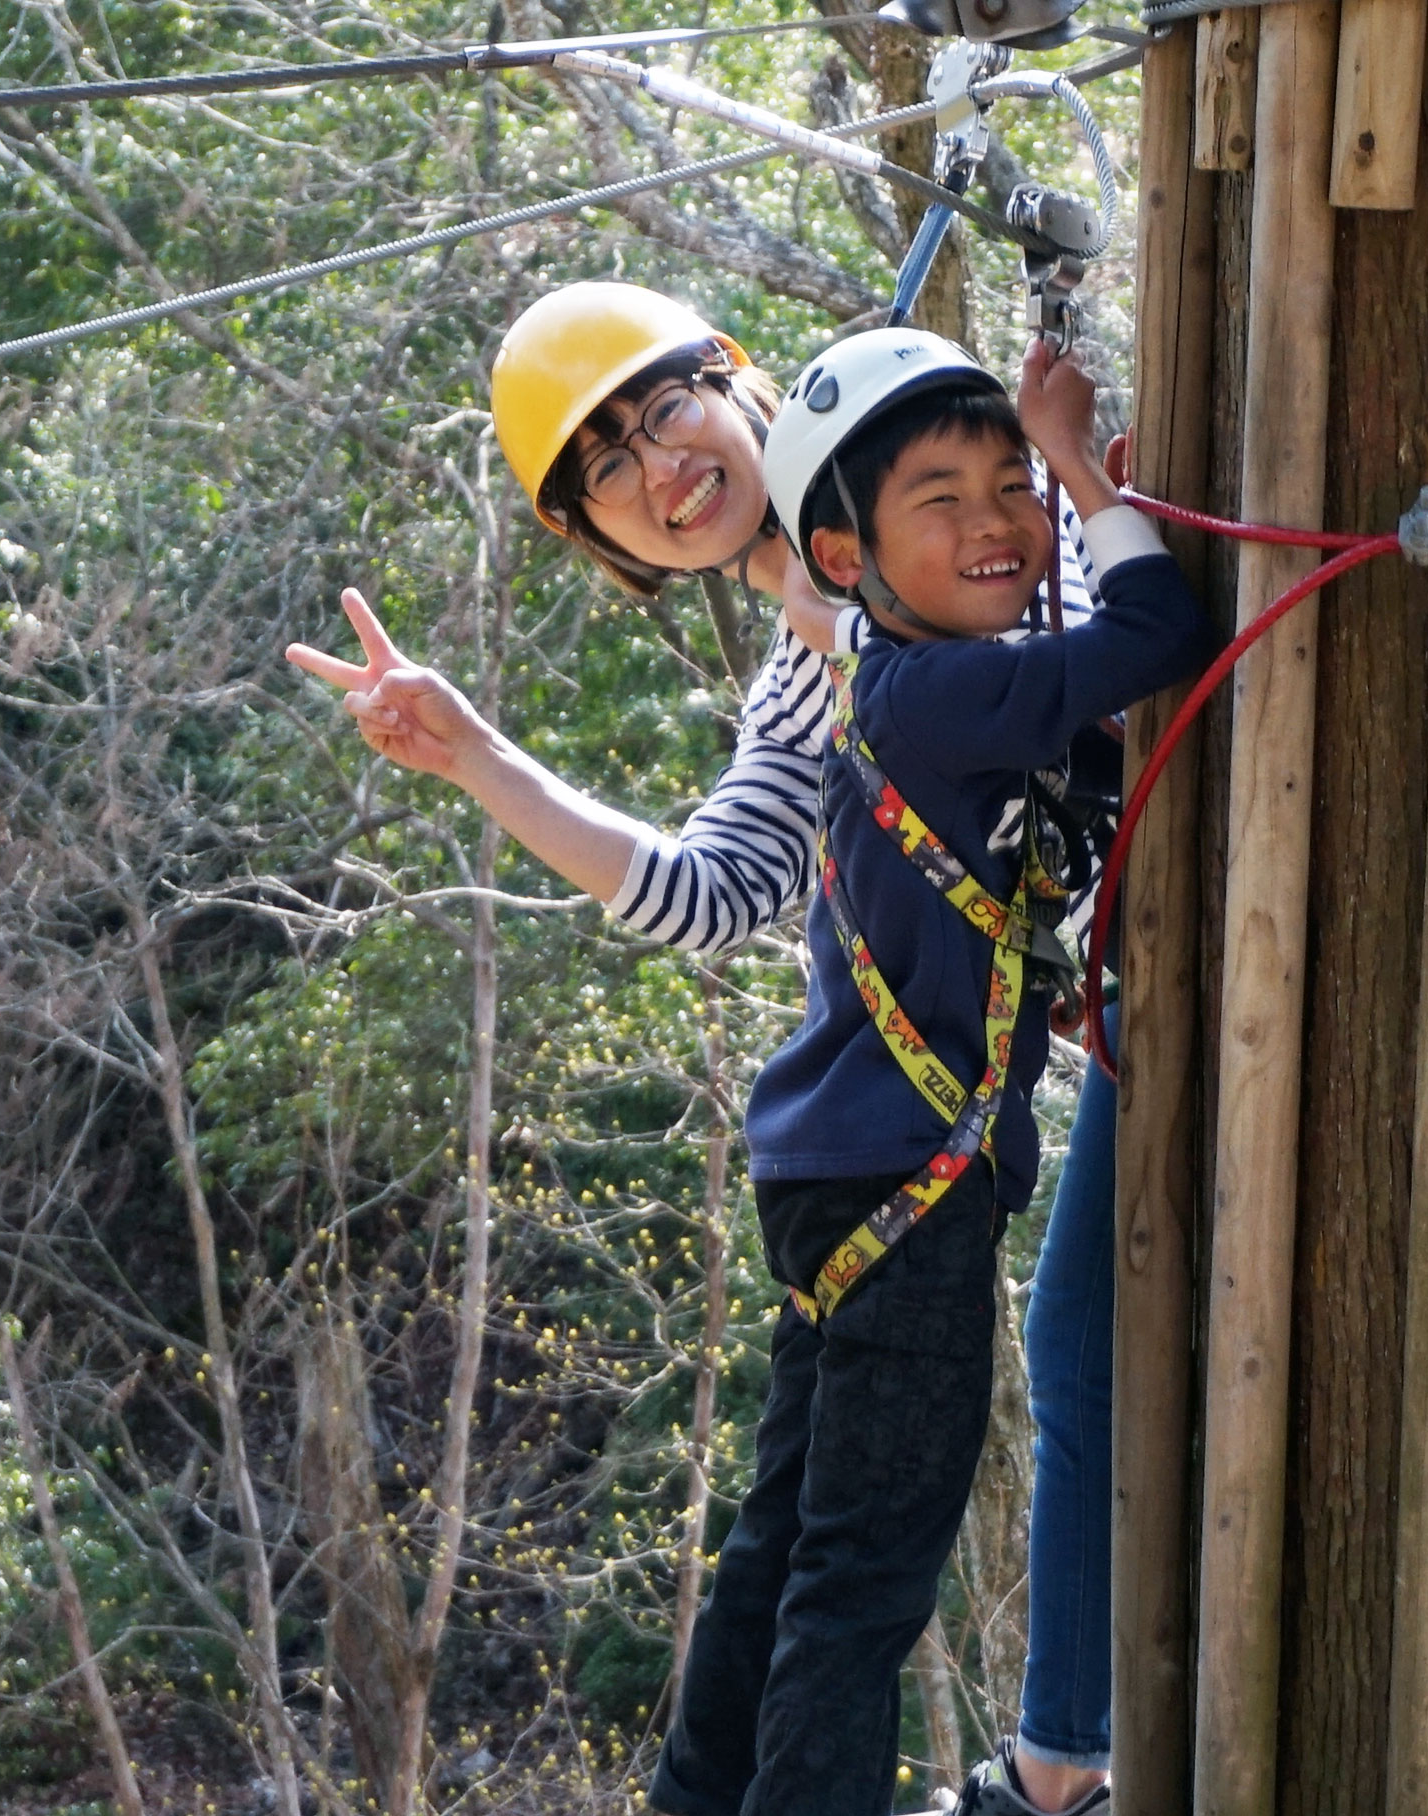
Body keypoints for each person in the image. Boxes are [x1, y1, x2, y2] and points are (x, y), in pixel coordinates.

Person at [287, 283, 1126, 1813]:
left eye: (663, 408)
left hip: (953, 1094)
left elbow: (1077, 596)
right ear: (605, 543)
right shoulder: (801, 679)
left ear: (732, 384)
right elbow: (708, 890)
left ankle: (1036, 1762)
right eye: (612, 466)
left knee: (814, 1525)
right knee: (855, 1547)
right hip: (906, 1143)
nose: (661, 464)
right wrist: (479, 755)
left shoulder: (925, 488)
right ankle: (1035, 1767)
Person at [642, 327, 1213, 1816]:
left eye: (1010, 485)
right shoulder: (936, 695)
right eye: (940, 500)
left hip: (849, 1170)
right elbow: (1159, 639)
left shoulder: (937, 687)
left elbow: (1077, 769)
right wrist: (1091, 475)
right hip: (907, 1190)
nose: (996, 524)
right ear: (843, 554)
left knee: (787, 1545)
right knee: (866, 1578)